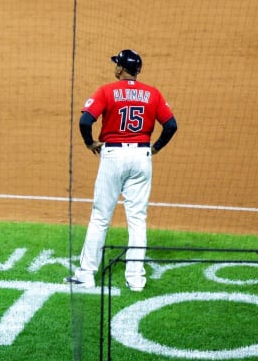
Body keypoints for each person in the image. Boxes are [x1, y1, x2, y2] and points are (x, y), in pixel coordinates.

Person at [66, 49, 177, 292]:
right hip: (141, 157)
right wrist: (155, 147)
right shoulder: (152, 93)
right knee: (137, 219)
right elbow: (171, 125)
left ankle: (86, 274)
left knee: (100, 216)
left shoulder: (107, 91)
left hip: (114, 156)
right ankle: (136, 280)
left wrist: (89, 142)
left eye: (117, 64)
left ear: (120, 69)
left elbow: (86, 121)